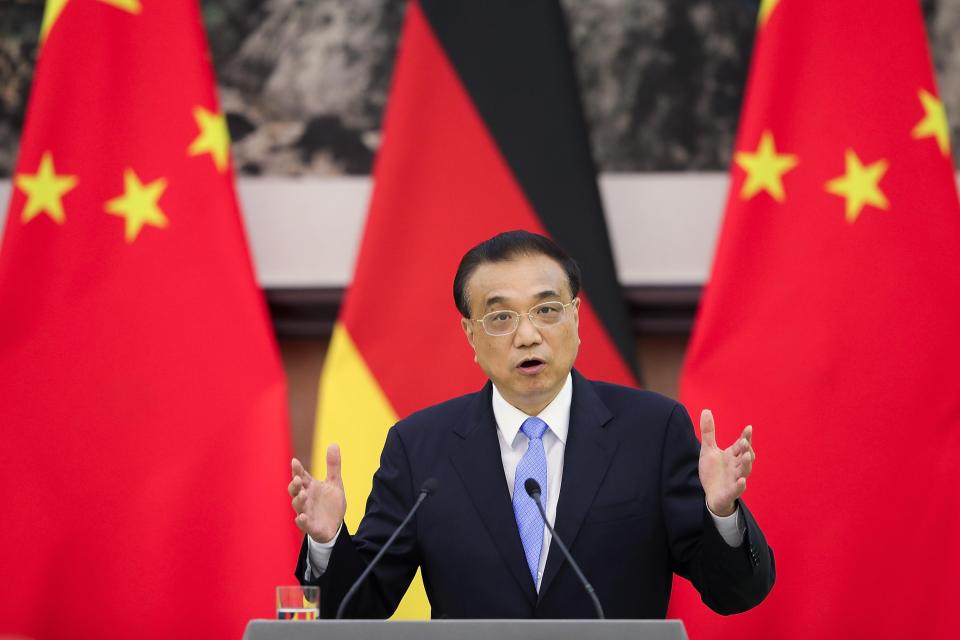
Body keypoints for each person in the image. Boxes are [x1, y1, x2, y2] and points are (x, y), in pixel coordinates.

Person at [289, 230, 775, 619]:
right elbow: (358, 609)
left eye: (547, 310)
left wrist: (721, 512)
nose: (527, 335)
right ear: (471, 335)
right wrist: (328, 541)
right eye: (501, 317)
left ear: (576, 318)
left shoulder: (651, 430)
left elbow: (733, 595)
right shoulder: (420, 448)